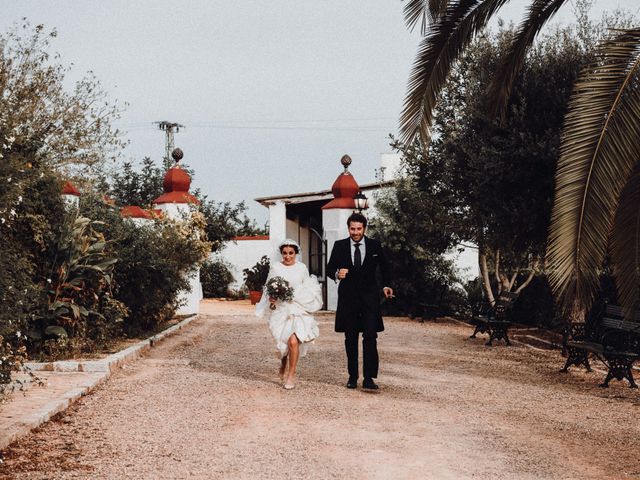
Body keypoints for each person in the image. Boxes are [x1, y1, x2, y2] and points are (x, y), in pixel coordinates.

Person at [326, 212, 393, 390]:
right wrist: (336, 273)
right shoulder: (340, 246)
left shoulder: (374, 245)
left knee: (370, 336)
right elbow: (329, 267)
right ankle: (352, 376)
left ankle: (369, 378)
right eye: (352, 229)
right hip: (348, 299)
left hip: (370, 298)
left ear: (364, 228)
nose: (355, 232)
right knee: (350, 337)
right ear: (348, 228)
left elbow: (385, 267)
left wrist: (386, 285)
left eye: (358, 229)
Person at [256, 239, 322, 390]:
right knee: (285, 341)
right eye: (285, 253)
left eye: (291, 253)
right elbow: (269, 288)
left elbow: (308, 286)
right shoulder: (276, 268)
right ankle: (283, 362)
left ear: (296, 253)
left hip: (298, 307)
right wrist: (272, 298)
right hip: (282, 308)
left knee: (293, 341)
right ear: (281, 254)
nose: (287, 256)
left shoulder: (301, 268)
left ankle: (291, 375)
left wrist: (304, 298)